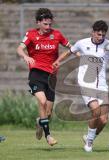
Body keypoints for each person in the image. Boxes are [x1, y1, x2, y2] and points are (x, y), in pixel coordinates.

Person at [53, 20, 109, 152]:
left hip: (101, 84)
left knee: (103, 120)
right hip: (86, 82)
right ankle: (89, 145)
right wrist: (57, 61)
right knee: (95, 110)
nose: (100, 37)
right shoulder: (82, 43)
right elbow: (70, 51)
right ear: (93, 32)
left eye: (103, 35)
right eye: (98, 34)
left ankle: (89, 137)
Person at [16, 8, 71, 146]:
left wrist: (76, 55)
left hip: (52, 76)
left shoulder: (57, 34)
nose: (48, 27)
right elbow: (19, 48)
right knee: (42, 101)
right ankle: (48, 137)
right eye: (45, 24)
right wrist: (25, 56)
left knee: (48, 112)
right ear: (38, 22)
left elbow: (71, 47)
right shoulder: (31, 34)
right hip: (36, 74)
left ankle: (40, 122)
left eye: (50, 24)